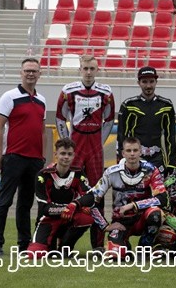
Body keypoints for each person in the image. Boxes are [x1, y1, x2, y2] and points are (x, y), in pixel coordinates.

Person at [55, 55, 115, 250]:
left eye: (92, 68)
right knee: (67, 192)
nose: (88, 72)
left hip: (95, 149)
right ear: (79, 69)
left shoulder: (106, 92)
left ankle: (97, 245)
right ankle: (63, 243)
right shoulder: (68, 91)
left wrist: (100, 141)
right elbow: (59, 117)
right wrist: (67, 145)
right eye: (85, 68)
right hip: (76, 147)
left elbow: (110, 120)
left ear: (97, 69)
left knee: (98, 193)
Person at [0, 57, 47, 256]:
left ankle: (24, 244)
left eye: (34, 71)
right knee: (4, 201)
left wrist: (42, 157)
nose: (30, 74)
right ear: (20, 73)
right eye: (27, 70)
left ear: (40, 74)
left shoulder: (41, 100)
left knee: (26, 204)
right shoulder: (9, 97)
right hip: (13, 157)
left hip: (34, 160)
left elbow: (42, 131)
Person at [77, 136, 168, 257]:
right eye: (129, 151)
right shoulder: (111, 172)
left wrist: (133, 205)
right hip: (121, 222)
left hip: (142, 219)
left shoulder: (151, 170)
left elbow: (163, 198)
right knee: (114, 256)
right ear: (123, 153)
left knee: (156, 213)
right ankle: (122, 245)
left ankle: (144, 248)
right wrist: (105, 226)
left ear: (140, 152)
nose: (132, 154)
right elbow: (92, 198)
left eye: (135, 150)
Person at [26, 138, 99, 257]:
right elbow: (44, 208)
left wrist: (74, 204)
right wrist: (66, 208)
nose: (66, 157)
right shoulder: (43, 175)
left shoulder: (78, 173)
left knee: (86, 218)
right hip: (48, 219)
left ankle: (66, 247)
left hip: (69, 217)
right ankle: (49, 244)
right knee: (35, 254)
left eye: (69, 154)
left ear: (74, 155)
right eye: (63, 153)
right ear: (56, 155)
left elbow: (90, 197)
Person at [117, 66, 176, 174]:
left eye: (151, 81)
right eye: (144, 82)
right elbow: (122, 135)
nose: (148, 85)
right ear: (138, 83)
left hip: (158, 159)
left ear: (156, 82)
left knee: (159, 190)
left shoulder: (166, 105)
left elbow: (170, 137)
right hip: (135, 159)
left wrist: (171, 163)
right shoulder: (129, 105)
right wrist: (120, 159)